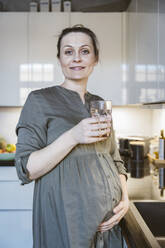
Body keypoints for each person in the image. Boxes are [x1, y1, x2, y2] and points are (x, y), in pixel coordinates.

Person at [15, 25, 129, 248]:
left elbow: (115, 160)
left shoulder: (99, 103)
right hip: (66, 220)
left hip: (109, 221)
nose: (77, 58)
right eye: (68, 51)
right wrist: (74, 136)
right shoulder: (39, 100)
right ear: (59, 59)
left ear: (95, 58)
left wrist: (125, 199)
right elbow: (26, 169)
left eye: (85, 51)